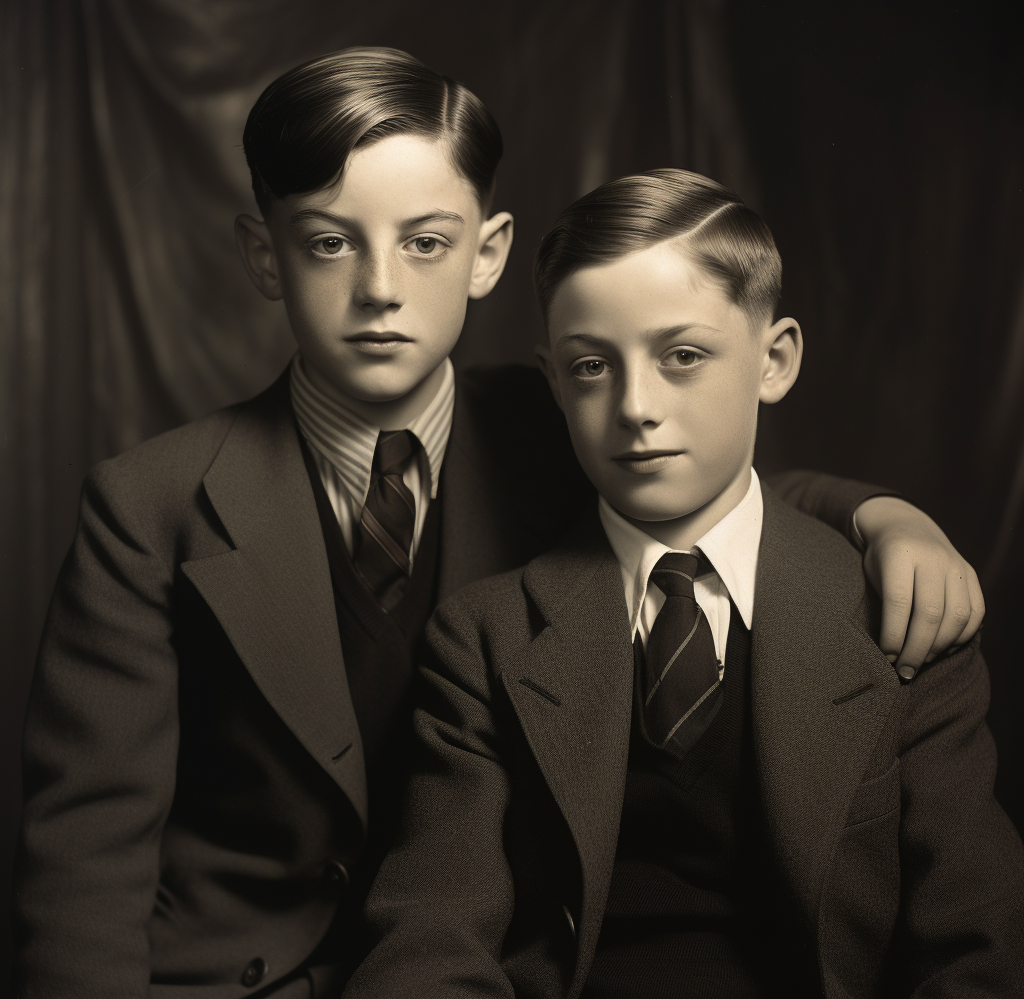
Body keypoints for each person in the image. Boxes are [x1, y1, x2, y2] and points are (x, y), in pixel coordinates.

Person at [13, 50, 985, 999]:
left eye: (425, 242)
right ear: (265, 256)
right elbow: (85, 851)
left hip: (491, 950)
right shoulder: (151, 501)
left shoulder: (563, 417)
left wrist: (881, 516)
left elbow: (714, 484)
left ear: (487, 255)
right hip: (242, 974)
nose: (379, 288)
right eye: (327, 241)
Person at [342, 169, 1023, 998]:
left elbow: (977, 943)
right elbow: (429, 935)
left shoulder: (902, 612)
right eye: (591, 366)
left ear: (774, 361)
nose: (635, 406)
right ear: (553, 381)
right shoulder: (483, 636)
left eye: (684, 356)